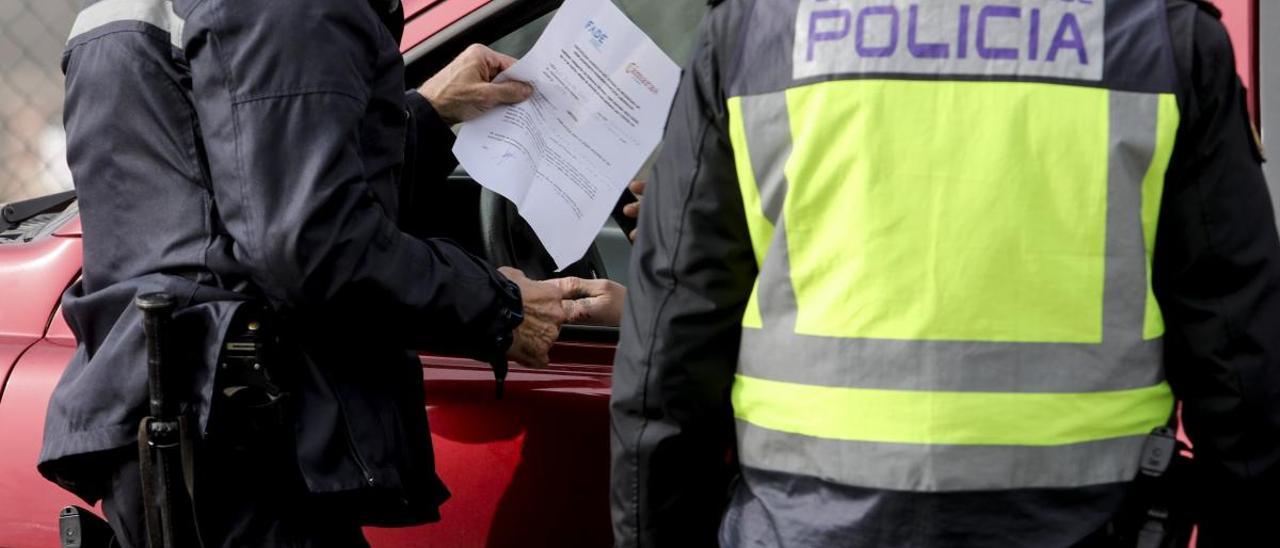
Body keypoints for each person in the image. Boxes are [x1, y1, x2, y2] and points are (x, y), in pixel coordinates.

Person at [612, 0, 1280, 546]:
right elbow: (1242, 367)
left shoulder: (757, 29)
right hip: (1088, 527)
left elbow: (669, 360)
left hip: (799, 531)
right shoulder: (1158, 34)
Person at [39, 0, 575, 545]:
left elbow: (227, 184)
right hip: (249, 446)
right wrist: (498, 306)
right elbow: (310, 246)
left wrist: (424, 116)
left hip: (189, 431)